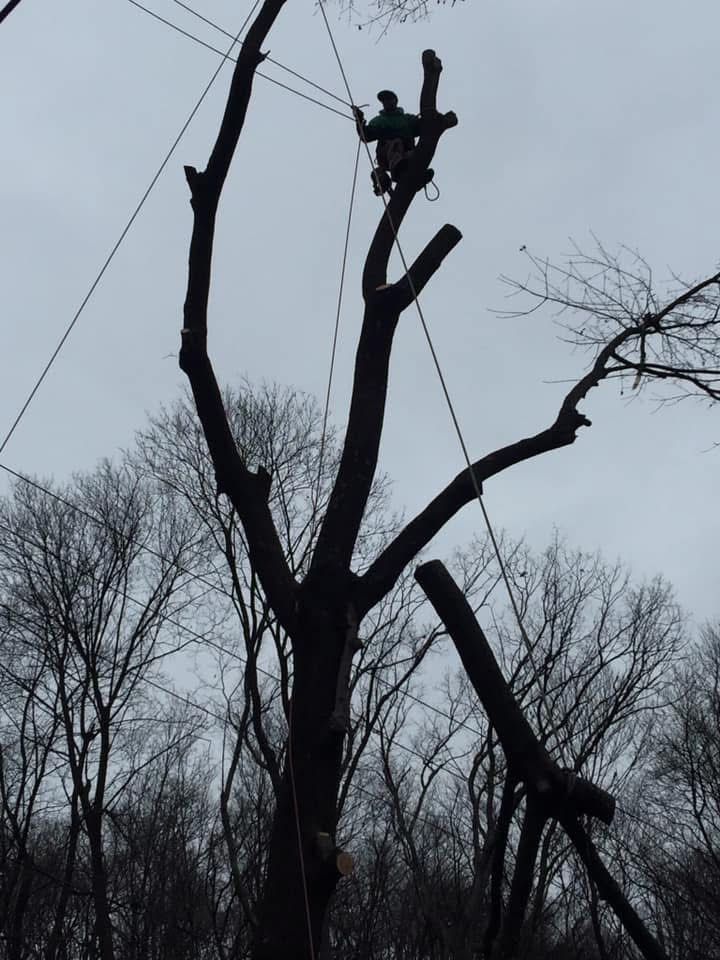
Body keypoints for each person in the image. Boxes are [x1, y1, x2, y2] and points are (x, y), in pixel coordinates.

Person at [353, 90, 432, 196]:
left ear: (395, 101)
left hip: (407, 156)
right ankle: (394, 174)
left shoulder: (407, 119)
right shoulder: (379, 121)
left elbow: (424, 127)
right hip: (387, 156)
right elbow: (366, 136)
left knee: (412, 152)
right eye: (384, 100)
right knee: (396, 143)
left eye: (388, 99)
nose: (386, 102)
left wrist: (429, 116)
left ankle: (415, 177)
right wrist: (359, 120)